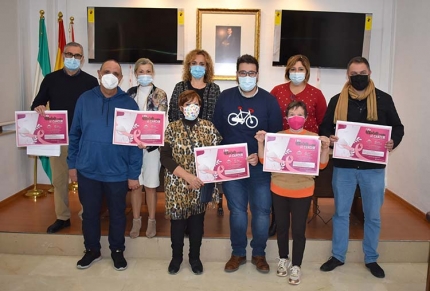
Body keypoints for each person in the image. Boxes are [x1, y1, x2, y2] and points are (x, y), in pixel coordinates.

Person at [319, 56, 404, 278]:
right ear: (348, 76)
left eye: (362, 73)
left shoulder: (383, 99)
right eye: (354, 74)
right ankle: (338, 255)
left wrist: (393, 140)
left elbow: (398, 127)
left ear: (370, 73)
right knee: (341, 213)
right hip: (344, 168)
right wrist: (330, 136)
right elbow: (325, 126)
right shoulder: (337, 100)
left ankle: (371, 258)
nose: (358, 78)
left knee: (373, 215)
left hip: (373, 169)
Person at [67, 60, 143, 271]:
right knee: (89, 213)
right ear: (99, 74)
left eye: (115, 73)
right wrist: (72, 165)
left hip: (117, 172)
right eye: (107, 71)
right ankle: (92, 250)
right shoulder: (84, 99)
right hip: (88, 169)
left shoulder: (129, 103)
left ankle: (117, 251)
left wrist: (133, 173)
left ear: (120, 78)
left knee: (118, 214)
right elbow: (74, 134)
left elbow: (135, 144)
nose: (111, 75)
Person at [213, 54, 283, 273]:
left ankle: (259, 254)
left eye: (251, 73)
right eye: (243, 73)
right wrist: (228, 156)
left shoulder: (269, 100)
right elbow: (217, 131)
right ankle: (238, 253)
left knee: (262, 212)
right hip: (232, 167)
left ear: (257, 75)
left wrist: (259, 155)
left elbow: (276, 136)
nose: (247, 77)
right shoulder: (225, 98)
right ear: (237, 75)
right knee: (237, 212)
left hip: (260, 166)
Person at [254, 101, 330, 285]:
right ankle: (283, 258)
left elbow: (321, 165)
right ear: (286, 118)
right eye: (292, 114)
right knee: (281, 228)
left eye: (300, 114)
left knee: (298, 231)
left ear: (305, 118)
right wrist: (260, 142)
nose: (296, 118)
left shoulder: (313, 138)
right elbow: (264, 160)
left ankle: (296, 265)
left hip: (302, 191)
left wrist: (326, 148)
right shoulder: (278, 137)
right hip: (279, 189)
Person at [31, 42, 99, 233]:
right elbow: (37, 103)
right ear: (63, 56)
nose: (73, 58)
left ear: (82, 59)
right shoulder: (51, 79)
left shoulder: (91, 82)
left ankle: (87, 215)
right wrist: (39, 107)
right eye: (69, 54)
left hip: (84, 140)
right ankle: (62, 217)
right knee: (60, 180)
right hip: (57, 138)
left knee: (86, 180)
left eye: (77, 56)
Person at [160, 90, 222, 275]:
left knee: (197, 225)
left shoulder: (209, 127)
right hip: (176, 182)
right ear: (181, 108)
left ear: (200, 106)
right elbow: (165, 157)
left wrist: (201, 179)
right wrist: (187, 177)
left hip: (201, 183)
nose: (192, 107)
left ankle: (195, 258)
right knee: (177, 225)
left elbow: (216, 155)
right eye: (187, 104)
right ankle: (176, 258)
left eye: (195, 103)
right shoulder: (171, 128)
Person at [268, 55, 327, 236]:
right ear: (288, 71)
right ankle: (277, 221)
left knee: (300, 189)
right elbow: (269, 117)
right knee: (279, 187)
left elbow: (322, 121)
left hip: (305, 152)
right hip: (280, 149)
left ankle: (299, 224)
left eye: (301, 69)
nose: (296, 73)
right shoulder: (277, 91)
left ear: (307, 72)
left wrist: (324, 143)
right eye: (293, 69)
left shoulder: (316, 94)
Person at [168, 49, 225, 215]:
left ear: (207, 67)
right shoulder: (180, 87)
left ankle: (197, 218)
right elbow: (173, 114)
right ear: (188, 66)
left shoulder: (214, 89)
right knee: (184, 184)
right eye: (194, 63)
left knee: (201, 187)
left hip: (205, 147)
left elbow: (218, 117)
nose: (198, 67)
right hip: (182, 147)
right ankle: (184, 217)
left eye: (202, 64)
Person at [127, 58, 168, 239]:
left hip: (152, 150)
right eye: (141, 71)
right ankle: (136, 221)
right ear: (136, 74)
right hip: (132, 148)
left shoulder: (160, 94)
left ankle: (151, 220)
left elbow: (162, 122)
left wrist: (149, 142)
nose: (145, 75)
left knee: (151, 186)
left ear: (153, 73)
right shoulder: (128, 94)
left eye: (148, 71)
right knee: (135, 185)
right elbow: (125, 121)